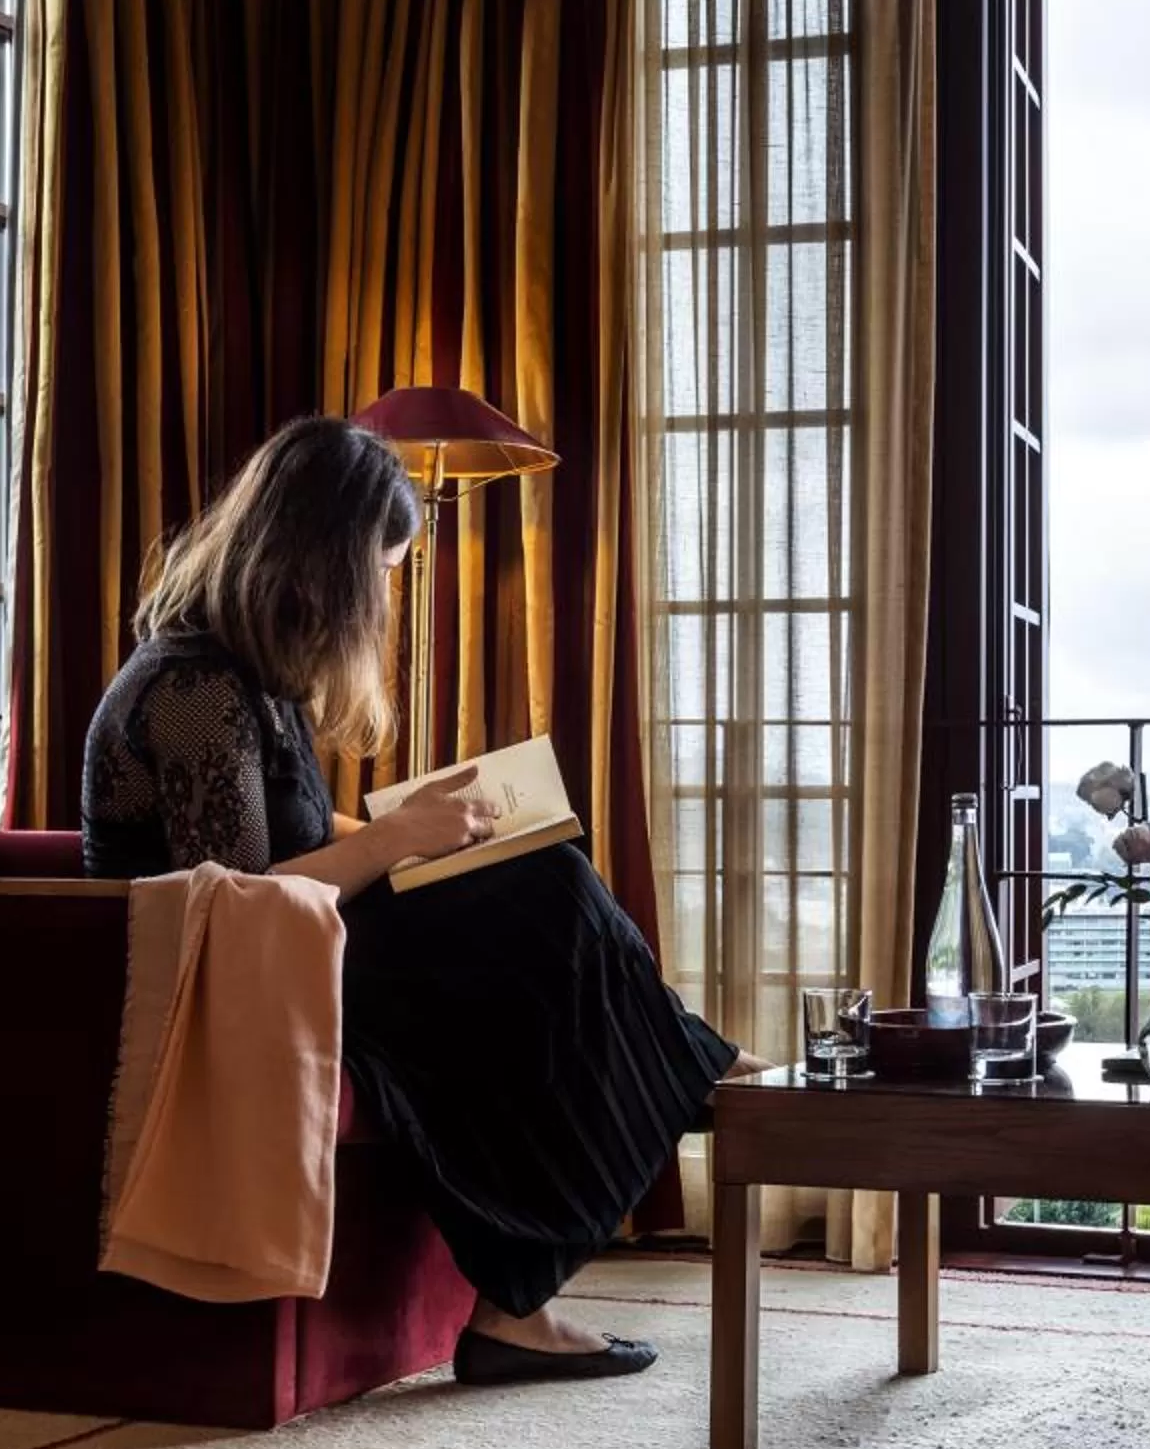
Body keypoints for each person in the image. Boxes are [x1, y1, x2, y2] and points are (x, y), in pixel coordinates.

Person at [79, 414, 758, 1384]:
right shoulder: (194, 689)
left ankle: (539, 1271)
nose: (384, 595)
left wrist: (426, 827)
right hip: (226, 988)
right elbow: (228, 912)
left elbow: (289, 852)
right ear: (325, 561)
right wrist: (398, 841)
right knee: (546, 897)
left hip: (297, 956)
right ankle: (686, 1072)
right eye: (383, 570)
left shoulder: (247, 675)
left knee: (538, 870)